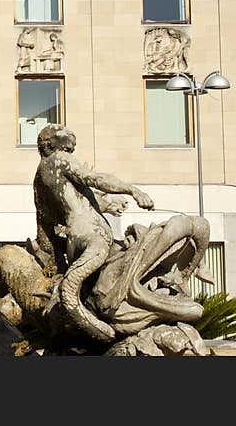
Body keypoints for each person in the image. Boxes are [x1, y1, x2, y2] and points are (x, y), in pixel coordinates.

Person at [33, 124, 154, 341]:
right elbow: (93, 179)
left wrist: (60, 263)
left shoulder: (40, 179)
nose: (71, 149)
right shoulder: (60, 159)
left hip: (75, 242)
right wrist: (132, 189)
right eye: (67, 144)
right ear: (50, 144)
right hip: (94, 237)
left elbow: (48, 225)